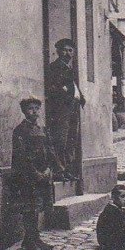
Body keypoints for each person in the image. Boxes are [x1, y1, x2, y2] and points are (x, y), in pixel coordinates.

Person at [11, 97, 57, 250]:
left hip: (43, 174)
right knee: (29, 208)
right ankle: (30, 242)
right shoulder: (20, 130)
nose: (34, 111)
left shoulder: (42, 129)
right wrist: (35, 173)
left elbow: (50, 150)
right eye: (30, 108)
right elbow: (21, 156)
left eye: (37, 108)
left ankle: (34, 238)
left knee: (38, 207)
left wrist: (49, 169)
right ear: (24, 111)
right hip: (28, 176)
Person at [46, 37, 85, 181]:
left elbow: (72, 86)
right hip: (62, 109)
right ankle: (59, 170)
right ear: (58, 51)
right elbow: (54, 88)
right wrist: (64, 94)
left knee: (71, 139)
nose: (68, 53)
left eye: (70, 50)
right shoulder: (55, 67)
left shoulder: (70, 68)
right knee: (60, 139)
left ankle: (67, 169)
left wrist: (80, 97)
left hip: (73, 108)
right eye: (64, 50)